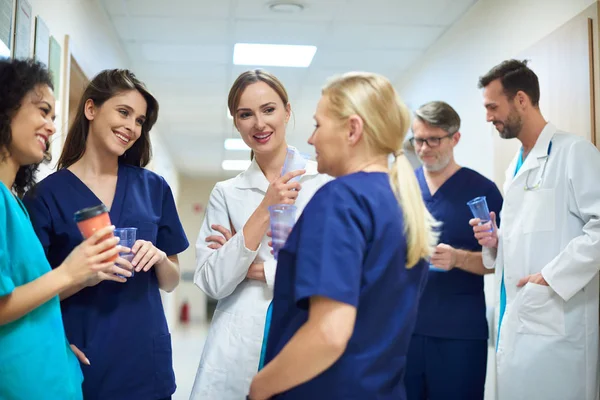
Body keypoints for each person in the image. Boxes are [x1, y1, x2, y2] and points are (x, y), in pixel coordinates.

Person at [248, 72, 437, 399]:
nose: (310, 139)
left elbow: (330, 333)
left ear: (352, 129)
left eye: (318, 125)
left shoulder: (340, 199)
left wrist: (259, 388)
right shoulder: (400, 201)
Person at [23, 69, 189, 400]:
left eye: (140, 120)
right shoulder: (45, 196)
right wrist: (82, 276)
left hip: (146, 364)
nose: (132, 127)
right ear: (91, 109)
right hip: (82, 359)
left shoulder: (152, 188)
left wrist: (158, 258)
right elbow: (32, 295)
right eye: (123, 112)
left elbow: (171, 281)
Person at [190, 70, 330, 399]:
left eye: (268, 110)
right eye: (245, 114)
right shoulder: (226, 193)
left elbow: (331, 269)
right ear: (236, 122)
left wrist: (255, 268)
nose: (259, 124)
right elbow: (212, 281)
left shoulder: (322, 182)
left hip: (305, 326)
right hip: (238, 341)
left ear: (287, 111)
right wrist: (267, 205)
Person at [0, 59, 132, 399]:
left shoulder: (13, 203)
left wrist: (54, 345)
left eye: (54, 118)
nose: (51, 126)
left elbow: (27, 297)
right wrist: (69, 272)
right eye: (43, 111)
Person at [472, 59, 600, 400]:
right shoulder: (515, 165)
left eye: (492, 107)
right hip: (518, 316)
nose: (488, 117)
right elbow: (531, 236)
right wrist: (496, 241)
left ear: (521, 100)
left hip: (555, 320)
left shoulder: (574, 152)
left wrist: (551, 276)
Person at [405, 101, 503, 400]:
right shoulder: (403, 187)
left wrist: (458, 258)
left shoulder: (481, 191)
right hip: (406, 331)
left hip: (459, 334)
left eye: (433, 140)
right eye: (418, 139)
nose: (423, 149)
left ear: (455, 138)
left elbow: (499, 263)